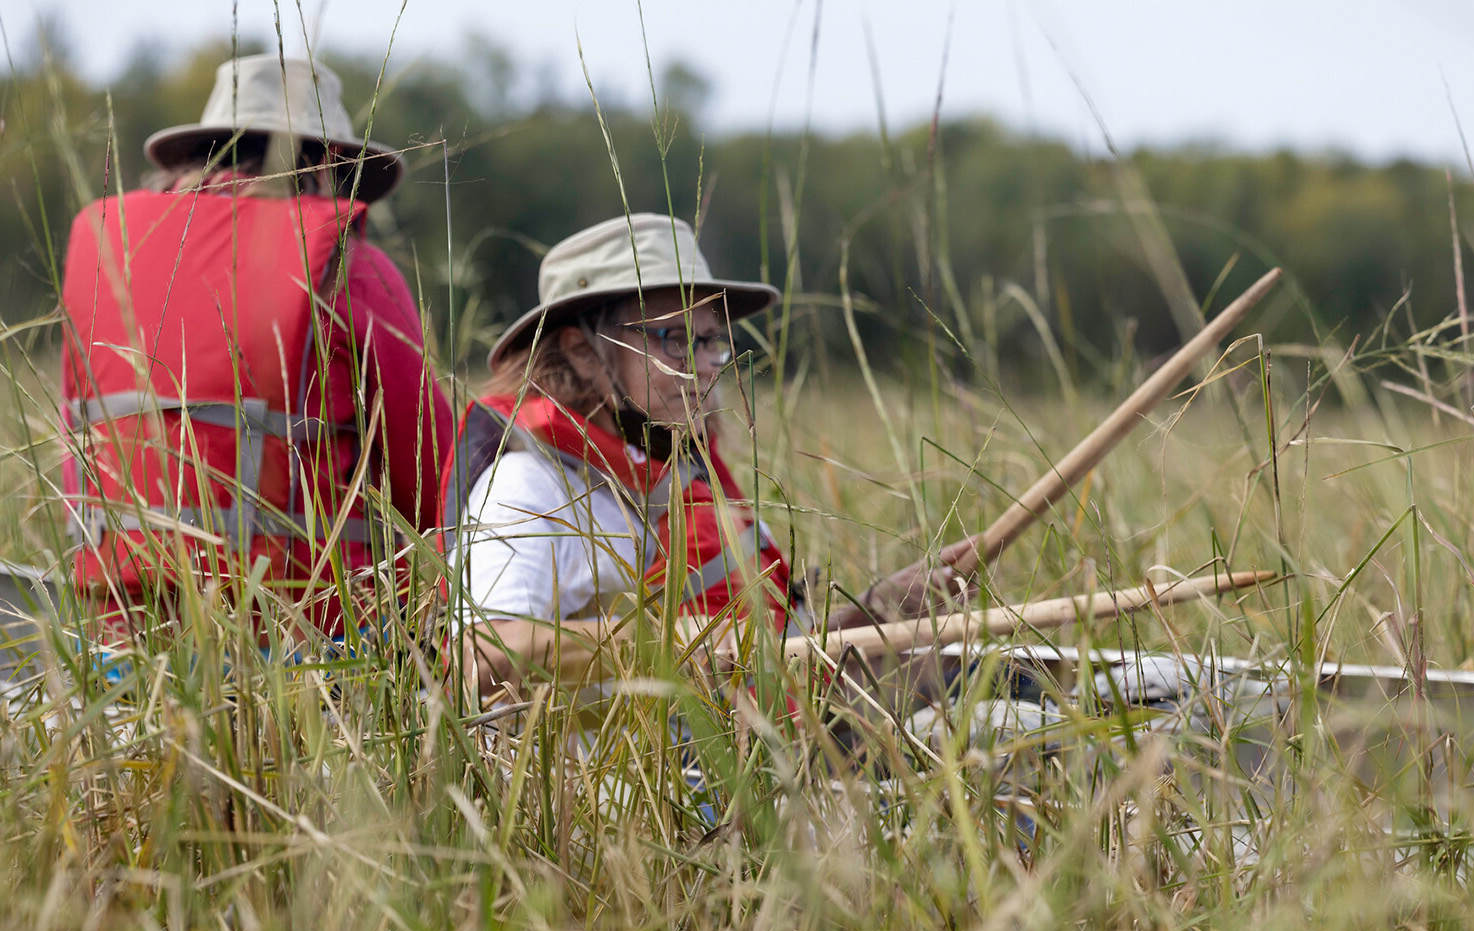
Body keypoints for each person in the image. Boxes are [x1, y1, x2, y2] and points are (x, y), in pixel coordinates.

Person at [440, 213, 970, 704]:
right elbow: (481, 654)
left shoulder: (682, 472)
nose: (703, 368)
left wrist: (876, 610)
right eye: (673, 341)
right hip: (664, 795)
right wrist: (665, 638)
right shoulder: (530, 486)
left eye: (711, 342)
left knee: (1005, 691)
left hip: (770, 760)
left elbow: (770, 649)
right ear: (582, 351)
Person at [59, 54, 450, 638]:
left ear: (197, 155)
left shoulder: (104, 254)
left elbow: (79, 436)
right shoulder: (351, 267)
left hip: (124, 633)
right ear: (326, 165)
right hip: (305, 643)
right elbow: (432, 478)